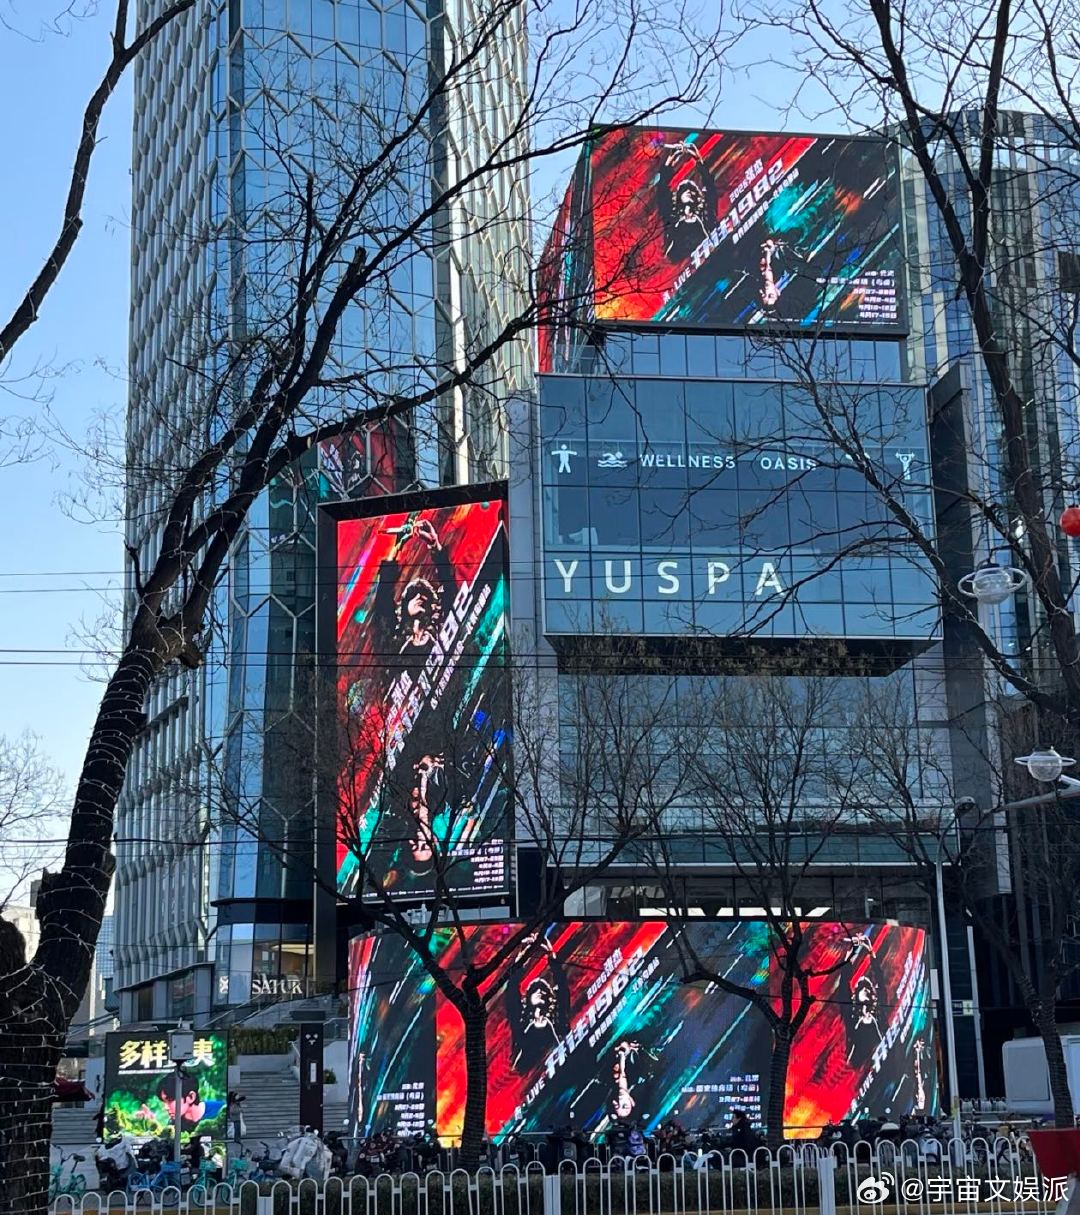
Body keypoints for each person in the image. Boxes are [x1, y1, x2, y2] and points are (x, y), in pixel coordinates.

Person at [506, 932, 570, 1074]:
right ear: (528, 999)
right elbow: (511, 991)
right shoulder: (521, 1022)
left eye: (544, 990)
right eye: (535, 990)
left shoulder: (558, 1018)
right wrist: (521, 959)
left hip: (561, 1070)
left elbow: (562, 987)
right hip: (528, 1077)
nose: (540, 991)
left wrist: (551, 955)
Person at [655, 141, 718, 262]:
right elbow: (662, 190)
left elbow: (710, 189)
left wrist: (698, 160)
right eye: (685, 190)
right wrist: (670, 160)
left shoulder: (705, 214)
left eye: (692, 191)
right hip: (679, 265)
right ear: (679, 196)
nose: (689, 192)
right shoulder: (671, 216)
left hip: (709, 260)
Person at [157, 1074, 224, 1133]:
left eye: (170, 1100)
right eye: (164, 1102)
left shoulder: (222, 1111)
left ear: (191, 1097)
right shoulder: (174, 1125)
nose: (166, 1107)